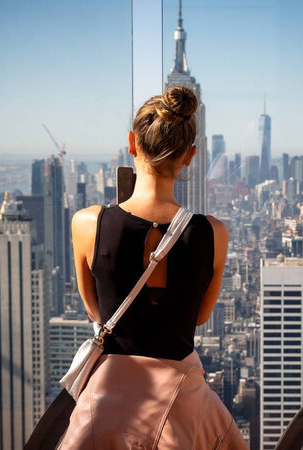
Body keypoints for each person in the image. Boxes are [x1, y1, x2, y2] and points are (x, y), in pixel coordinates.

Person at [59, 86, 247, 449]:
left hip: (109, 398)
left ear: (132, 143)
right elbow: (200, 316)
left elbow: (93, 309)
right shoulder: (213, 234)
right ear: (190, 155)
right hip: (181, 400)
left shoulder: (87, 224)